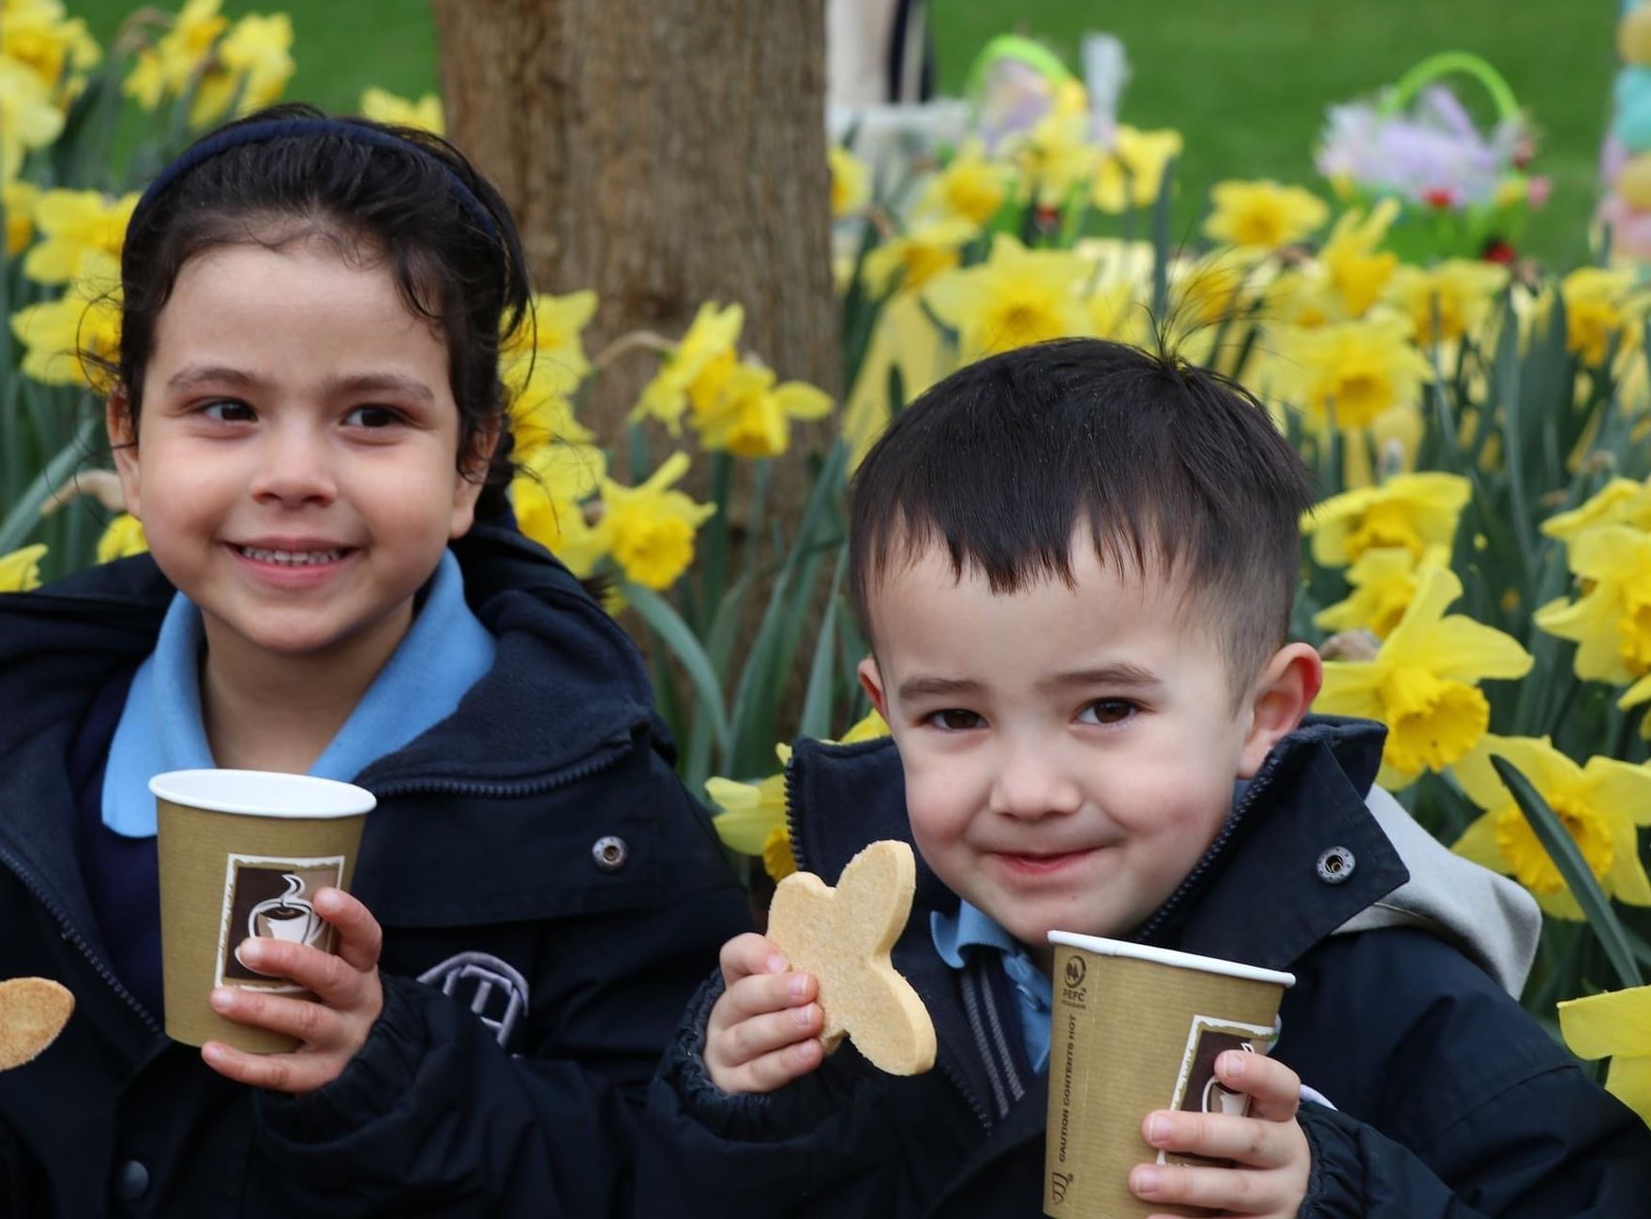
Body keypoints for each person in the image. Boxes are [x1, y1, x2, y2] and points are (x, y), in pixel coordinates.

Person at [0, 104, 748, 1218]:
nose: (294, 471)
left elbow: (671, 1175)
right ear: (130, 443)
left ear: (469, 459)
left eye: (373, 416)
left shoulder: (600, 824)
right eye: (227, 408)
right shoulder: (16, 797)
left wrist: (391, 1072)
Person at [644, 339, 1651, 1216]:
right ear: (886, 704)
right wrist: (735, 1110)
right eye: (955, 716)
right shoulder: (846, 972)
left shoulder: (1388, 997)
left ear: (1265, 712)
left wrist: (1332, 1193)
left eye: (1107, 709)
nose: (1029, 789)